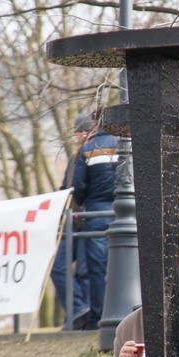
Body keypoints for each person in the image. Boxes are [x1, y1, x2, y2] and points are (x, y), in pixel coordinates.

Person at [72, 112, 119, 330]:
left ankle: (98, 317)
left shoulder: (87, 150)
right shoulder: (123, 144)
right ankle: (125, 312)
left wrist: (83, 201)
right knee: (124, 264)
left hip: (96, 214)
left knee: (97, 269)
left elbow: (78, 186)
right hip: (123, 212)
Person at [51, 112, 92, 329]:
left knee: (85, 272)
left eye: (86, 130)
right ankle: (78, 309)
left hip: (87, 221)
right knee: (57, 266)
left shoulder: (93, 155)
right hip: (69, 223)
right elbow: (65, 189)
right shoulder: (74, 159)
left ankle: (85, 318)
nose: (82, 135)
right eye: (79, 131)